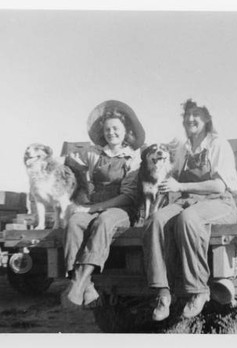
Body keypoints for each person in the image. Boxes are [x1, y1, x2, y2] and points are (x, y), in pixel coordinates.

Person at [142, 99, 237, 321]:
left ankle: (198, 289)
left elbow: (219, 185)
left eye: (197, 114)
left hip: (218, 201)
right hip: (187, 200)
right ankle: (163, 291)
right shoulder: (183, 149)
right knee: (155, 220)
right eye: (187, 115)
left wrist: (181, 186)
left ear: (206, 119)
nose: (190, 119)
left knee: (187, 219)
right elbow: (171, 176)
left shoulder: (218, 144)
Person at [60, 100, 145, 309]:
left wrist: (94, 209)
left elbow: (128, 197)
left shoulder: (133, 157)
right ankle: (84, 284)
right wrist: (67, 162)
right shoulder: (94, 153)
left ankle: (78, 283)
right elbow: (73, 166)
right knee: (75, 222)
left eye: (116, 128)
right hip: (94, 205)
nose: (111, 132)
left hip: (121, 209)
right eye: (107, 129)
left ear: (126, 131)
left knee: (104, 222)